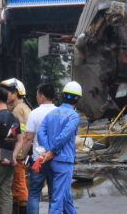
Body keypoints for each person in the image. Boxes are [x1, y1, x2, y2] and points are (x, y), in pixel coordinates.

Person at [38, 82, 81, 214]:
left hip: (51, 162)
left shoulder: (52, 113)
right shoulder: (73, 116)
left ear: (63, 95)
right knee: (57, 200)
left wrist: (48, 151)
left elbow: (40, 132)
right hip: (63, 162)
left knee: (65, 197)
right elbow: (64, 136)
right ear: (78, 99)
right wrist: (52, 151)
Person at [21, 84, 56, 214]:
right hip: (55, 160)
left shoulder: (34, 114)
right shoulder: (59, 112)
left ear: (42, 97)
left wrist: (23, 157)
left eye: (37, 94)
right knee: (54, 194)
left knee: (34, 194)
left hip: (38, 161)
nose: (36, 97)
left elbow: (28, 139)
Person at [0, 79, 31, 214]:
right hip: (19, 154)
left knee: (19, 185)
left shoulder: (17, 111)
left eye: (6, 93)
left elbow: (17, 136)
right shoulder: (20, 108)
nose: (4, 95)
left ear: (15, 93)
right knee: (16, 186)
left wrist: (11, 155)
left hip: (17, 155)